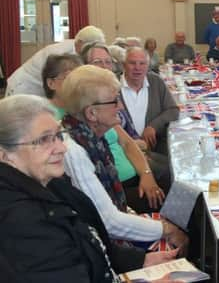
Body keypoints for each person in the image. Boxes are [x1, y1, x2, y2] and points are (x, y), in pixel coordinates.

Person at [0, 95, 179, 281]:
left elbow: (88, 243)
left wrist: (141, 260)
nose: (62, 148)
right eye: (44, 140)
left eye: (58, 136)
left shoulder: (51, 183)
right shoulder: (19, 221)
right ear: (5, 155)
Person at [60, 65, 187, 247]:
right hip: (100, 243)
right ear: (91, 113)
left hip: (118, 210)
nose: (120, 106)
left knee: (182, 194)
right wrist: (167, 229)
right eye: (114, 101)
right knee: (182, 209)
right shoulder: (74, 152)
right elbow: (108, 221)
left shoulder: (90, 135)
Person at [42, 53, 168, 213]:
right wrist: (162, 229)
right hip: (117, 190)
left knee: (176, 178)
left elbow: (128, 143)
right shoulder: (62, 130)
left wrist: (146, 173)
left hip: (128, 177)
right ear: (51, 83)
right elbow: (105, 214)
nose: (121, 107)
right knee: (175, 191)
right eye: (70, 78)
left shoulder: (97, 115)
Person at [6, 25, 105, 96]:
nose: (91, 51)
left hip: (39, 88)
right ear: (80, 42)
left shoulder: (76, 48)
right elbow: (60, 84)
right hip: (24, 87)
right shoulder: (60, 53)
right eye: (89, 47)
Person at [120, 48, 180, 155]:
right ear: (124, 65)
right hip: (124, 152)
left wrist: (153, 126)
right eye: (132, 63)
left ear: (148, 66)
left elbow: (173, 110)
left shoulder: (156, 82)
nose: (137, 68)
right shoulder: (114, 86)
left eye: (142, 63)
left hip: (154, 150)